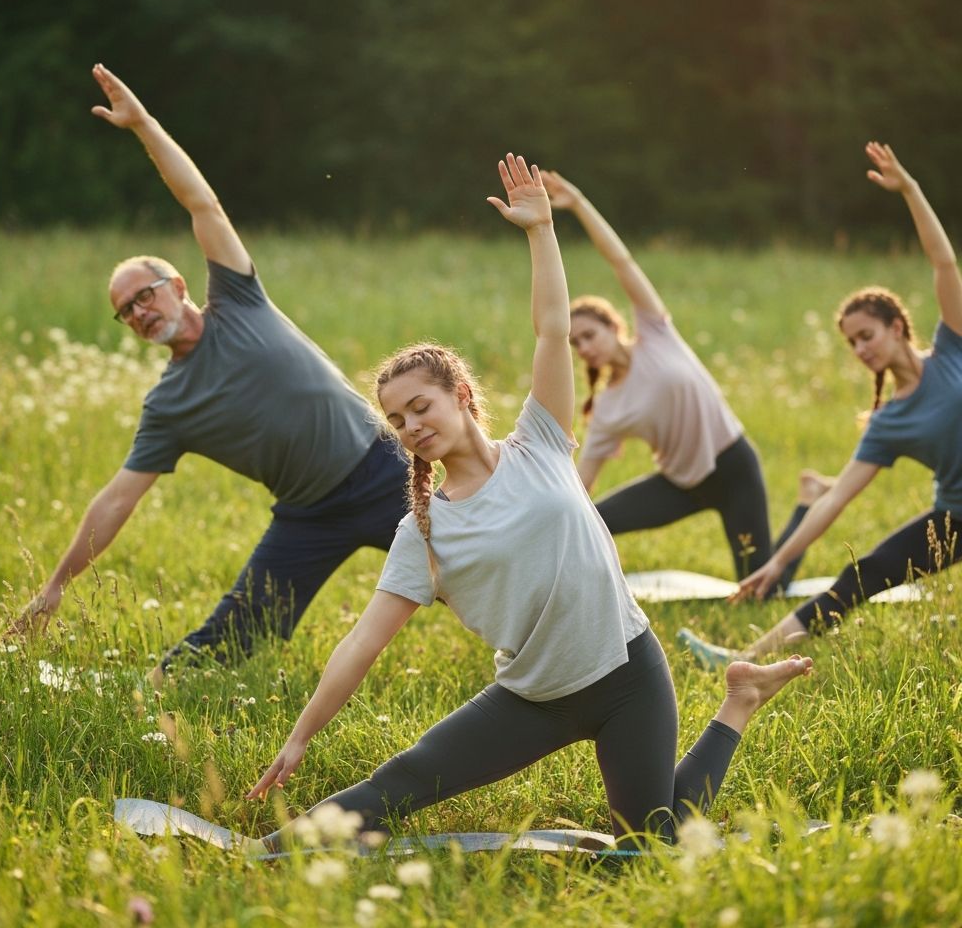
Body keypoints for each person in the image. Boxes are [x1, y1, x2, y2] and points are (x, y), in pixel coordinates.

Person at [244, 154, 813, 852]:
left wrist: (543, 230)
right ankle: (263, 855)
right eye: (395, 420)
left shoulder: (541, 440)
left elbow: (550, 328)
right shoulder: (423, 530)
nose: (411, 426)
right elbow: (363, 641)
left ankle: (738, 700)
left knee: (650, 845)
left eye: (419, 405)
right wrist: (300, 736)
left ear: (460, 395)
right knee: (400, 784)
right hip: (531, 700)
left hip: (629, 672)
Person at [10, 65, 408, 677]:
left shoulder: (237, 299)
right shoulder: (168, 407)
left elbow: (202, 201)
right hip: (308, 514)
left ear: (175, 285)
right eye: (126, 313)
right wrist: (58, 583)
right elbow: (118, 497)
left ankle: (595, 617)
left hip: (385, 470)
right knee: (229, 642)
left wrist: (143, 125)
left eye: (143, 296)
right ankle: (152, 691)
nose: (139, 314)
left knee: (482, 569)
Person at [680, 142, 962, 669]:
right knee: (863, 575)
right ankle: (743, 660)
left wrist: (912, 191)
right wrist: (778, 563)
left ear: (897, 327)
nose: (860, 350)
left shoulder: (953, 348)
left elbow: (943, 261)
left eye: (866, 335)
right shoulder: (888, 423)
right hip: (956, 518)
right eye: (851, 343)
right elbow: (834, 501)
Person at [541, 170, 826, 591]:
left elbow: (623, 262)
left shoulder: (657, 334)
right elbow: (580, 484)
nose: (584, 347)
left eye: (589, 335)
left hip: (733, 469)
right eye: (575, 343)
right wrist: (543, 523)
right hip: (679, 485)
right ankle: (591, 593)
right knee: (592, 518)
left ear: (615, 326)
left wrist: (579, 203)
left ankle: (809, 499)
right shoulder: (607, 408)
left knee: (762, 589)